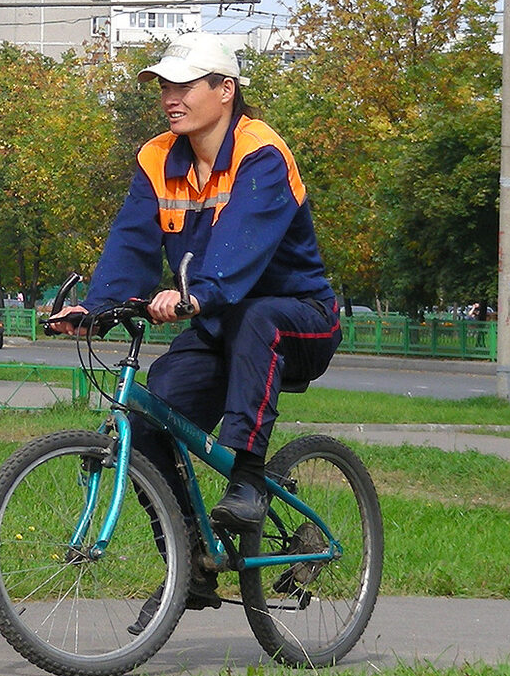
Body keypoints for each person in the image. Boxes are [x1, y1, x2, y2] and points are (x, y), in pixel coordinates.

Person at [51, 31, 340, 609]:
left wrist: (194, 296)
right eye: (164, 85)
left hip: (300, 318)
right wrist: (98, 305)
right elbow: (132, 241)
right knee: (147, 414)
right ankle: (189, 556)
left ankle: (249, 481)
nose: (170, 97)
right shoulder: (157, 157)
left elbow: (240, 247)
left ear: (225, 90)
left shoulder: (261, 153)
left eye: (184, 85)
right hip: (216, 324)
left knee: (259, 317)